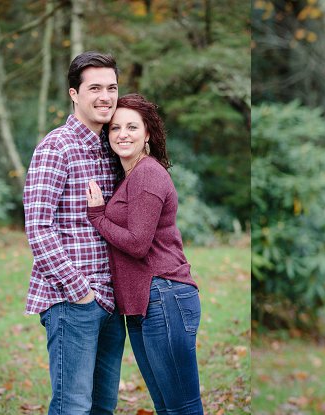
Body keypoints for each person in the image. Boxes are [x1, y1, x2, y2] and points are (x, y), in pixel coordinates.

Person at [85, 93, 204, 414]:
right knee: (165, 405)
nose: (122, 134)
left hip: (165, 297)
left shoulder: (147, 174)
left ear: (148, 133)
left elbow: (138, 243)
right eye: (115, 128)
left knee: (182, 406)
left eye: (132, 127)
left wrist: (97, 216)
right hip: (143, 303)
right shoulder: (131, 176)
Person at [24, 51, 126, 415]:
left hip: (112, 301)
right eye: (94, 87)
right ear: (74, 93)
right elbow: (38, 228)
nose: (105, 96)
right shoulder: (56, 147)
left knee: (103, 407)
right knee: (73, 407)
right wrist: (79, 291)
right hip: (73, 301)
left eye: (111, 87)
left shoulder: (110, 149)